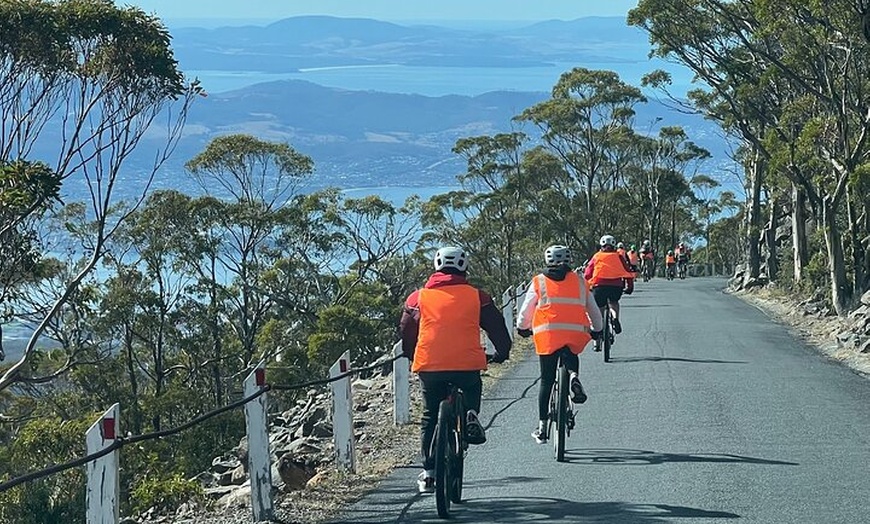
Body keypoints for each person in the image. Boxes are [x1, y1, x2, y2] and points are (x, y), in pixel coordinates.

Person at [399, 246, 511, 493]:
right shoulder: (478, 297)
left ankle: (429, 473)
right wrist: (503, 352)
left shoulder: (417, 298)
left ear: (436, 266)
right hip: (466, 364)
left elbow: (406, 330)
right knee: (472, 385)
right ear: (464, 267)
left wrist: (410, 354)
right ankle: (470, 412)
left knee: (430, 414)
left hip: (430, 365)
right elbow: (497, 326)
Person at [516, 245, 603, 444]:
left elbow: (526, 310)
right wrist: (597, 330)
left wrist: (522, 328)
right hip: (575, 333)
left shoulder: (539, 281)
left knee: (547, 380)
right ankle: (573, 376)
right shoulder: (580, 281)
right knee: (571, 352)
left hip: (547, 335)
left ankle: (542, 427)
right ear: (569, 260)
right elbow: (594, 310)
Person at [584, 235, 634, 340]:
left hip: (599, 286)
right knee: (614, 302)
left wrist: (586, 285)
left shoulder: (597, 256)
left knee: (600, 306)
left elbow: (588, 273)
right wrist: (630, 286)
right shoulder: (619, 256)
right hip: (616, 286)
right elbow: (627, 271)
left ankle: (599, 327)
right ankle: (615, 318)